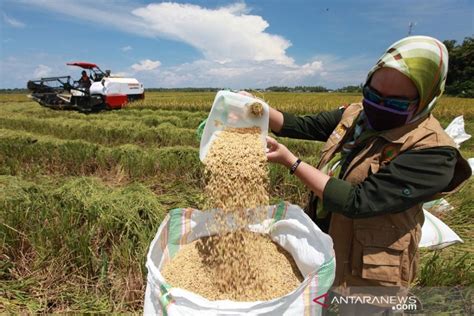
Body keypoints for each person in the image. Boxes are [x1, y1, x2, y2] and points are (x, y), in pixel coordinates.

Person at [263, 36, 471, 312]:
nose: (378, 106)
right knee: (317, 305)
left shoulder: (434, 152)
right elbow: (301, 126)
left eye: (396, 103)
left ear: (426, 98)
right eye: (372, 94)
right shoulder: (357, 115)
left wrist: (292, 162)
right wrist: (256, 110)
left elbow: (358, 201)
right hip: (327, 238)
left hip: (371, 263)